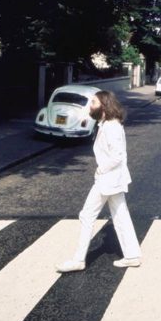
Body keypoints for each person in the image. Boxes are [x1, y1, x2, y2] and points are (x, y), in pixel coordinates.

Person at [56, 90, 141, 273]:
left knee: (87, 215)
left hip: (107, 180)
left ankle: (79, 259)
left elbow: (117, 156)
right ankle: (132, 255)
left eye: (93, 102)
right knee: (121, 215)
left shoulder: (111, 127)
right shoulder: (106, 124)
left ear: (103, 105)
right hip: (112, 179)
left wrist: (100, 170)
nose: (90, 106)